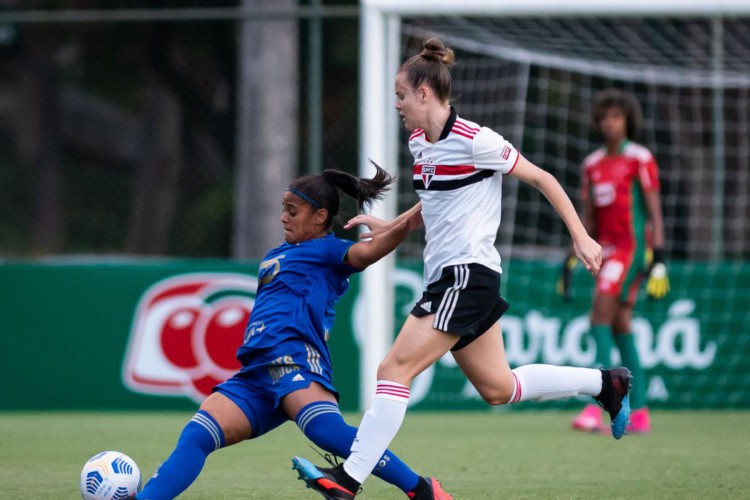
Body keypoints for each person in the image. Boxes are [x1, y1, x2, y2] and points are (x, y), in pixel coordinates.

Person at [292, 37, 632, 500]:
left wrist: (581, 235)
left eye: (401, 95)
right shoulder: (419, 143)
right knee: (499, 388)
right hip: (453, 279)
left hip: (467, 275)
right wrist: (387, 224)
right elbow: (427, 207)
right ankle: (606, 383)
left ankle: (347, 482)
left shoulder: (478, 141)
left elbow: (543, 178)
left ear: (425, 94)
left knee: (393, 370)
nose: (397, 105)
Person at [128, 165, 452, 500]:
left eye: (292, 211)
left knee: (327, 432)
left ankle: (423, 489)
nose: (283, 217)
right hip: (255, 374)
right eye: (284, 209)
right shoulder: (277, 254)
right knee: (197, 436)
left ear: (319, 216)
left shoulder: (327, 251)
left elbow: (368, 252)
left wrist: (411, 219)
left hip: (294, 361)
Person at [562, 89, 669, 435]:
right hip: (604, 251)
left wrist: (659, 256)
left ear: (628, 121)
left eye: (617, 116)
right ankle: (639, 413)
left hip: (632, 249)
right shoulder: (592, 164)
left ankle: (599, 404)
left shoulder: (639, 157)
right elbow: (588, 219)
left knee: (599, 314)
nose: (610, 123)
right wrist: (571, 256)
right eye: (605, 117)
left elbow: (653, 207)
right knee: (621, 325)